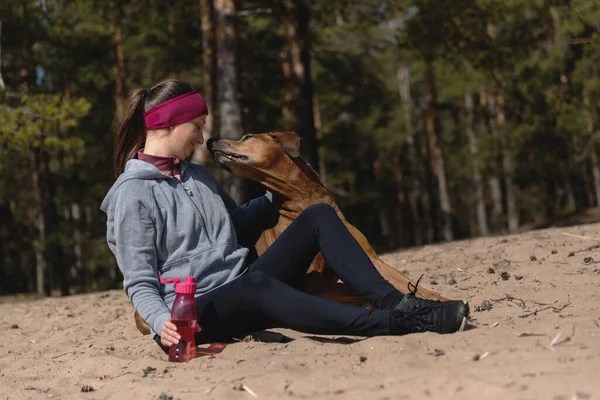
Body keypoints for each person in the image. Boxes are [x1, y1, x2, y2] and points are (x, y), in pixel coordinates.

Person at [100, 79, 469, 352]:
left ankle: (395, 302)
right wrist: (163, 322)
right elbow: (139, 282)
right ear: (166, 124)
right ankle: (394, 323)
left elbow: (233, 230)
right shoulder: (132, 195)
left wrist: (275, 198)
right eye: (195, 128)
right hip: (191, 314)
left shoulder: (196, 176)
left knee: (319, 215)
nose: (200, 139)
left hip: (243, 284)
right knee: (255, 286)